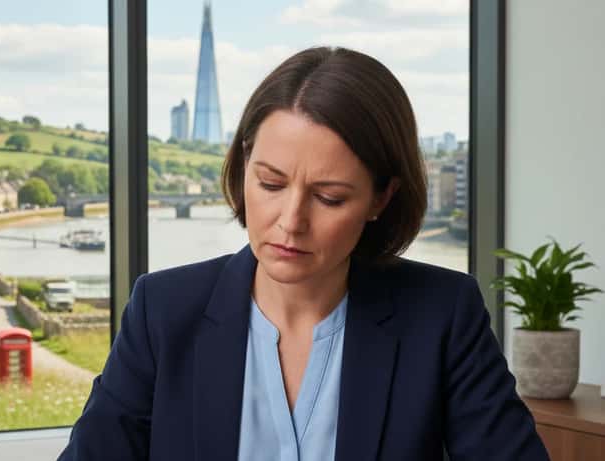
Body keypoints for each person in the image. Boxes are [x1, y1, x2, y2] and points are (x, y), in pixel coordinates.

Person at [58, 47, 549, 460]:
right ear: (243, 165)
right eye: (270, 183)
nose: (290, 221)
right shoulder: (161, 310)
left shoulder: (443, 314)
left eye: (329, 197)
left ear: (381, 197)